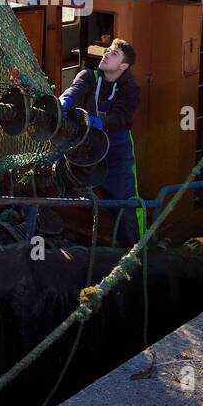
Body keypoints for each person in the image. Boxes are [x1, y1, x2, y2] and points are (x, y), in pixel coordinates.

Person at [59, 38, 142, 248]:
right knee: (53, 176)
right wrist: (63, 102)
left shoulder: (131, 89)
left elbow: (118, 119)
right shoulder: (88, 76)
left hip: (116, 154)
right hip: (84, 149)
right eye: (108, 50)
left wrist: (95, 122)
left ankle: (135, 254)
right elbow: (75, 90)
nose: (106, 54)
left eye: (114, 54)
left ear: (123, 66)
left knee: (125, 205)